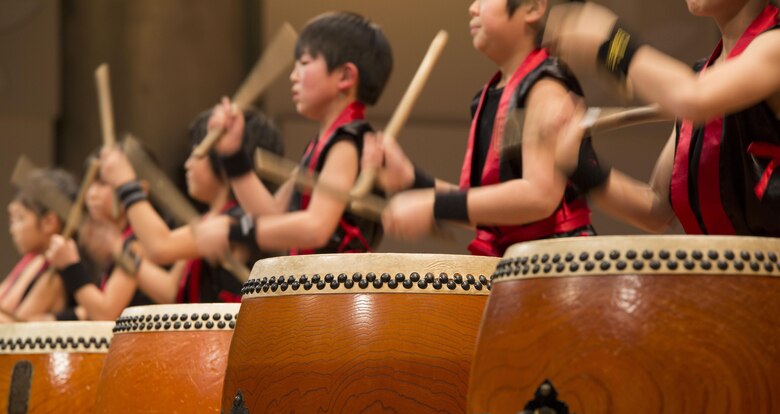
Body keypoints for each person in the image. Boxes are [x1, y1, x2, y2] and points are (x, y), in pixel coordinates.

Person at [363, 0, 601, 257]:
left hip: (559, 262)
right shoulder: (492, 95)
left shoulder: (545, 88)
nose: (472, 8)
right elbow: (497, 213)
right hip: (520, 263)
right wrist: (412, 180)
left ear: (533, 7)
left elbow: (538, 196)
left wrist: (434, 205)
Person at [543, 0, 780, 235]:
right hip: (726, 272)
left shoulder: (775, 46)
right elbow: (656, 210)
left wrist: (613, 43)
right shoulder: (701, 79)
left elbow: (692, 99)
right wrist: (580, 164)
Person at [195, 11, 393, 257]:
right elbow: (273, 216)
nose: (293, 75)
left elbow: (316, 227)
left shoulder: (348, 143)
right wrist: (233, 155)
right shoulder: (321, 145)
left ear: (345, 76)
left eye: (305, 62)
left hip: (339, 292)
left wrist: (235, 230)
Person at [98, 108, 283, 303]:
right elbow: (169, 290)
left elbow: (160, 246)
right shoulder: (208, 220)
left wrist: (126, 184)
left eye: (198, 152)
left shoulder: (236, 220)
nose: (188, 163)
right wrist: (119, 250)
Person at [45, 154, 153, 321]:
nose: (91, 194)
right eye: (89, 184)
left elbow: (106, 313)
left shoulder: (138, 242)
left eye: (102, 184)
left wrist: (71, 266)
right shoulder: (118, 240)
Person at [0, 168, 77, 321]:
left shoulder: (54, 277)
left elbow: (14, 329)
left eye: (20, 219)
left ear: (49, 222)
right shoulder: (33, 262)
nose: (12, 230)